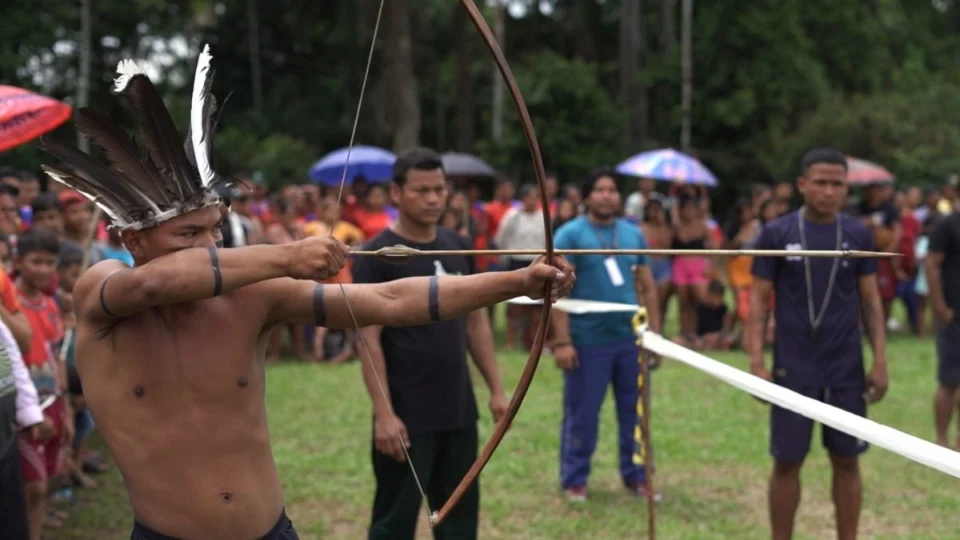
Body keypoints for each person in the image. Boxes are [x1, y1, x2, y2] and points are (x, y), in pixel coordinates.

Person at [37, 48, 574, 540]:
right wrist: (288, 255)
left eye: (215, 230)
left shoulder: (252, 297)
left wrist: (517, 282)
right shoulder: (102, 291)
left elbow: (389, 301)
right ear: (134, 240)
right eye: (188, 234)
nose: (208, 244)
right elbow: (158, 283)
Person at [352, 147, 514, 540]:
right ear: (396, 193)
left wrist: (496, 389)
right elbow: (368, 339)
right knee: (394, 520)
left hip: (458, 409)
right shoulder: (376, 254)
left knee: (458, 517)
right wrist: (384, 414)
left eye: (439, 190)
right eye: (421, 190)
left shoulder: (457, 245)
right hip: (407, 414)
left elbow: (476, 323)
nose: (433, 199)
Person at [748, 148, 888, 540]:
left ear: (846, 188)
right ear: (802, 185)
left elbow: (871, 301)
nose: (829, 191)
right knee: (787, 462)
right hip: (793, 366)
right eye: (821, 183)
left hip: (845, 367)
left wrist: (880, 360)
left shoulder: (858, 234)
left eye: (837, 184)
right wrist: (757, 361)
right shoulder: (776, 234)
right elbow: (757, 303)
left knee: (847, 460)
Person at [550, 168, 662, 503]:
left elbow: (647, 286)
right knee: (583, 413)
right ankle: (574, 479)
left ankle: (638, 476)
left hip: (631, 338)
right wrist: (562, 341)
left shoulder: (632, 234)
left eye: (612, 190)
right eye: (599, 189)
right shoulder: (570, 234)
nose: (606, 195)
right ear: (587, 196)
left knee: (636, 412)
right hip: (587, 340)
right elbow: (556, 290)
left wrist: (654, 336)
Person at [14, 228, 71, 538]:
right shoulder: (10, 307)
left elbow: (56, 356)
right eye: (36, 261)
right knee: (32, 486)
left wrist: (66, 409)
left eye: (50, 263)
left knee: (47, 478)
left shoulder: (49, 304)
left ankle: (35, 526)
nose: (44, 269)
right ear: (18, 261)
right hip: (24, 407)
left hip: (53, 400)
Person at [924, 209, 960, 448]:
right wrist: (938, 305)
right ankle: (941, 440)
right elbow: (931, 264)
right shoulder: (947, 224)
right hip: (953, 315)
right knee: (949, 381)